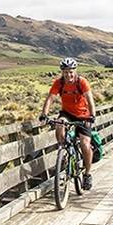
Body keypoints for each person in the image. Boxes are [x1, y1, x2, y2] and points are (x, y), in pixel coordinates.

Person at [40, 57, 97, 191]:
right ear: (62, 72)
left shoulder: (81, 82)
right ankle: (64, 150)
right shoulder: (59, 83)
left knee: (85, 144)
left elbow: (90, 99)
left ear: (75, 71)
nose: (68, 75)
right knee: (60, 125)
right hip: (67, 113)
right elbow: (50, 99)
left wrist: (92, 116)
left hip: (84, 115)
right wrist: (44, 114)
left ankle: (87, 174)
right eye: (65, 72)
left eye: (71, 72)